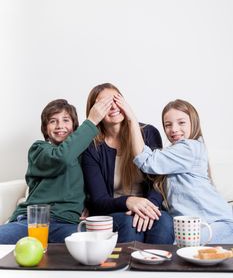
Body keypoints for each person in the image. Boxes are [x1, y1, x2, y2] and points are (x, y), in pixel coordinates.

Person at [0, 97, 113, 244]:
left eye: (66, 120)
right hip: (32, 222)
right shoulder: (39, 149)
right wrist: (91, 121)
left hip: (67, 223)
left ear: (74, 126)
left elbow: (95, 185)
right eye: (53, 121)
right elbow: (62, 157)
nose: (60, 126)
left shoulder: (86, 155)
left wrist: (88, 205)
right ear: (46, 128)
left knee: (90, 246)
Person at [81, 83, 174, 244]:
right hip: (114, 210)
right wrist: (129, 202)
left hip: (148, 206)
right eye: (104, 104)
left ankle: (157, 269)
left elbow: (159, 181)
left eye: (116, 100)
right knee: (128, 224)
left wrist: (148, 207)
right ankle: (126, 268)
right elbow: (98, 199)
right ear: (94, 112)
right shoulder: (91, 146)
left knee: (164, 223)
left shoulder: (149, 133)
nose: (113, 106)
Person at [131, 99, 233, 244]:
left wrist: (131, 121)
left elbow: (147, 161)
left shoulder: (190, 148)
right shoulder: (173, 156)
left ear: (193, 122)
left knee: (179, 249)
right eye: (168, 125)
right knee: (178, 248)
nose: (173, 129)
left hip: (218, 223)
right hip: (197, 225)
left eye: (181, 122)